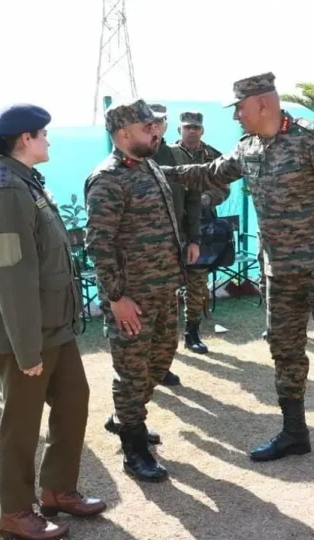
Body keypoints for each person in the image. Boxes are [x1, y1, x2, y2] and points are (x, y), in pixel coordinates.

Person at [162, 72, 314, 480]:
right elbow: (209, 173)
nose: (236, 116)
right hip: (280, 273)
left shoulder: (313, 139)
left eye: (240, 108)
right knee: (284, 350)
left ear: (262, 104)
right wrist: (161, 171)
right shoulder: (249, 147)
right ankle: (295, 432)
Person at [0, 104, 105, 540]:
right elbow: (11, 278)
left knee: (73, 399)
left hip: (53, 326)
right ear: (25, 139)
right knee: (22, 423)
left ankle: (57, 490)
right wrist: (27, 349)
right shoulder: (7, 191)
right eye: (43, 134)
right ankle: (15, 512)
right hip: (24, 332)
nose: (48, 140)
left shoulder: (26, 181)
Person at [85, 100, 185, 483]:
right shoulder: (107, 179)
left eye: (154, 126)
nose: (155, 132)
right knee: (131, 373)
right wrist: (116, 297)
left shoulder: (149, 166)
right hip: (131, 299)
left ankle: (126, 418)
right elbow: (99, 244)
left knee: (159, 363)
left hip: (163, 289)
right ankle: (134, 447)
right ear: (124, 133)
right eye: (147, 128)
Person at [170, 111, 229, 354]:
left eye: (196, 127)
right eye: (187, 127)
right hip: (171, 226)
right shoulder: (167, 154)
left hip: (201, 226)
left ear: (202, 130)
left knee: (197, 280)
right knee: (168, 281)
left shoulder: (213, 156)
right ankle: (165, 336)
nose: (192, 131)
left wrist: (206, 198)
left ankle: (192, 332)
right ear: (179, 130)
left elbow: (224, 188)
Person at [146, 102, 182, 386]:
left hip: (172, 247)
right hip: (142, 258)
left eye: (160, 122)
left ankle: (161, 366)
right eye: (150, 122)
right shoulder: (128, 161)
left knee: (168, 320)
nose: (156, 127)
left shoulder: (175, 155)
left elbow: (191, 197)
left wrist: (192, 238)